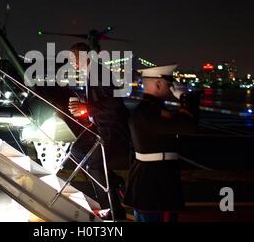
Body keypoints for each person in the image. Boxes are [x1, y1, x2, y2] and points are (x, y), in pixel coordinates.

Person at [123, 64, 200, 222]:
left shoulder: (149, 109)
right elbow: (189, 126)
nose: (172, 87)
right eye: (169, 83)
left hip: (152, 181)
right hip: (156, 185)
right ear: (158, 84)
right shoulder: (149, 112)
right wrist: (184, 98)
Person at [67, 42, 131, 220]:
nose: (72, 62)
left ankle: (112, 209)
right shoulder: (90, 73)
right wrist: (82, 107)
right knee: (76, 151)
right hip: (98, 124)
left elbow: (113, 103)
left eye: (74, 58)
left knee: (94, 165)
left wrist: (85, 105)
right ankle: (114, 181)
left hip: (109, 127)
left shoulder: (99, 72)